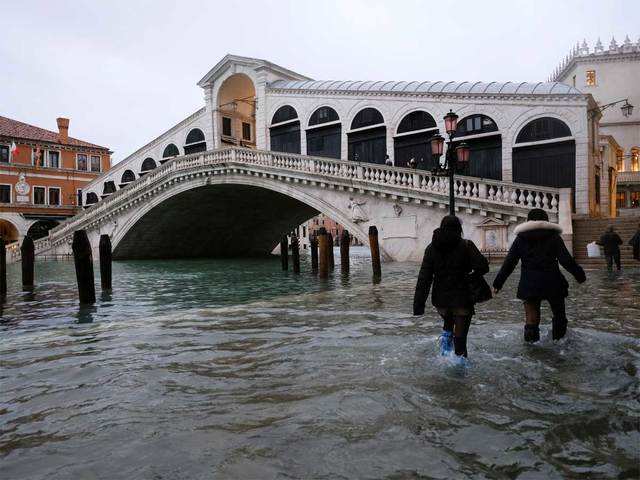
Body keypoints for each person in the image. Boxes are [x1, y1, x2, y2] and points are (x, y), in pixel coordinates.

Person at [492, 209, 586, 343]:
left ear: (528, 220)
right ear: (546, 220)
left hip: (529, 283)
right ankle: (559, 346)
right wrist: (579, 275)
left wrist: (498, 283)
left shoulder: (521, 238)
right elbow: (566, 260)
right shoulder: (553, 237)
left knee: (531, 319)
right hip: (553, 281)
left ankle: (532, 350)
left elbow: (509, 263)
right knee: (559, 315)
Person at [413, 215, 489, 360]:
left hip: (441, 300)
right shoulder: (466, 245)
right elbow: (483, 267)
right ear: (459, 229)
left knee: (448, 323)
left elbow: (424, 278)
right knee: (460, 339)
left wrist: (418, 306)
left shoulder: (431, 248)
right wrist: (469, 276)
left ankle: (444, 358)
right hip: (462, 298)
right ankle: (459, 374)